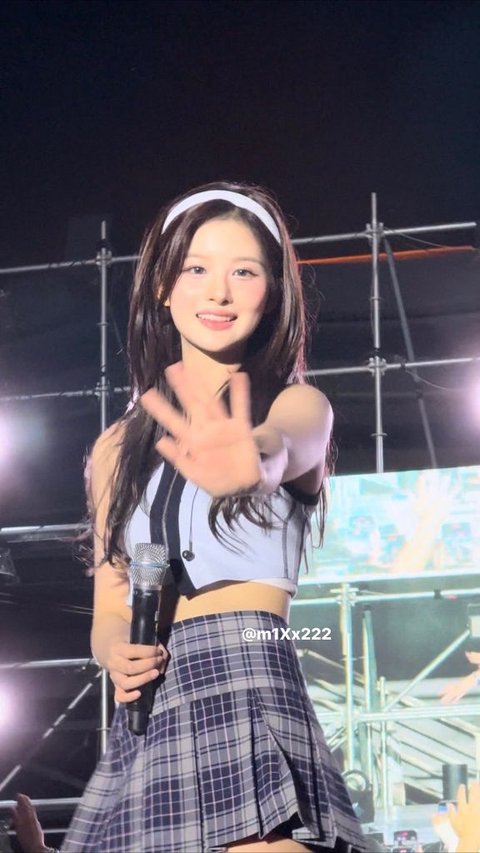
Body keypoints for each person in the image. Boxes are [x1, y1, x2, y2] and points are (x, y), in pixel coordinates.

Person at [61, 182, 366, 853]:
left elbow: (283, 445)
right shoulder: (114, 448)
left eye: (244, 272)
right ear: (163, 286)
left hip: (248, 672)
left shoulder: (295, 405)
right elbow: (111, 604)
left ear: (273, 293)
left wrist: (255, 461)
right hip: (149, 709)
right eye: (196, 268)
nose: (219, 293)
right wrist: (117, 652)